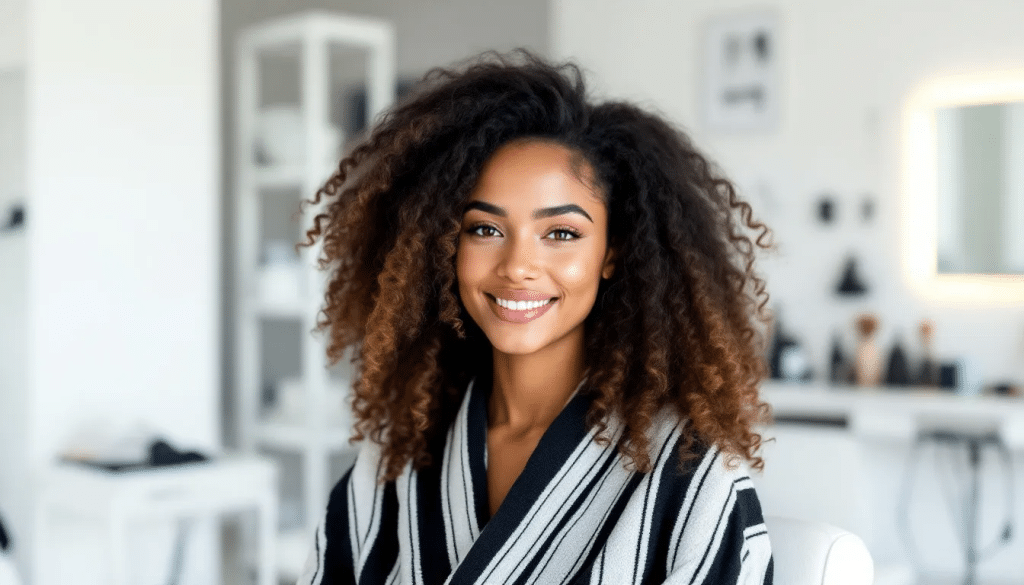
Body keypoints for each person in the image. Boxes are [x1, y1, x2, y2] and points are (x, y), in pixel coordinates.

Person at [296, 49, 774, 585]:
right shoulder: (399, 451)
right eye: (485, 229)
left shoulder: (692, 471)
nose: (517, 266)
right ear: (444, 244)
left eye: (561, 233)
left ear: (612, 253)